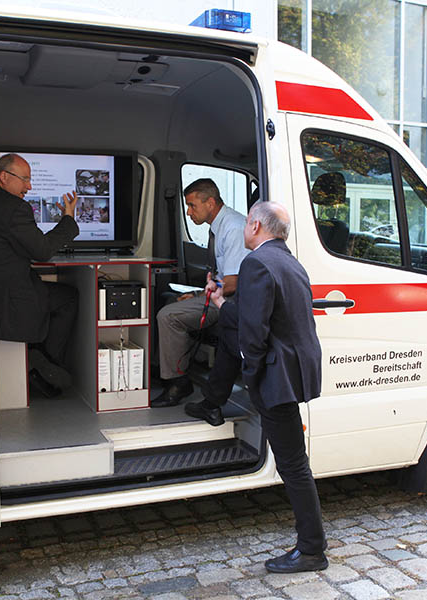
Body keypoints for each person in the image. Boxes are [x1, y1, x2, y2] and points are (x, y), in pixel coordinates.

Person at [186, 201, 327, 573]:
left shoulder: (255, 263)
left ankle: (312, 549)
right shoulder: (288, 261)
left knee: (294, 466)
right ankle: (312, 546)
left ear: (255, 225)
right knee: (295, 463)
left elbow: (254, 332)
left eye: (248, 223)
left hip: (275, 378)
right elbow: (256, 311)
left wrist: (250, 374)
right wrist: (221, 302)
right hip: (295, 372)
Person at [150, 178, 249, 407]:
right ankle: (164, 369)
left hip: (231, 302)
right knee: (167, 300)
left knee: (169, 316)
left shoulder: (233, 228)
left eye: (192, 205)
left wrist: (203, 296)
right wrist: (197, 294)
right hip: (220, 294)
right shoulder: (219, 226)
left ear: (210, 203)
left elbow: (232, 284)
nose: (188, 211)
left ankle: (178, 382)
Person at [0, 153, 79, 397]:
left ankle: (41, 358)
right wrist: (68, 219)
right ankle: (45, 363)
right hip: (12, 297)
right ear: (5, 177)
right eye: (25, 179)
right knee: (68, 297)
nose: (29, 187)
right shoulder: (14, 208)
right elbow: (42, 251)